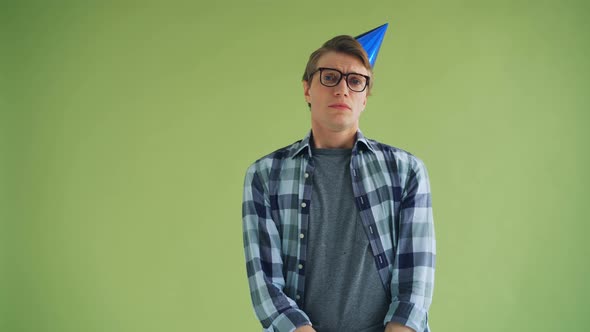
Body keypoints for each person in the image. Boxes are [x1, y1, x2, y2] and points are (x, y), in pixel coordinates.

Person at [242, 25, 435, 332]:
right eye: (330, 77)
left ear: (365, 97)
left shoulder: (406, 171)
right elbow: (266, 287)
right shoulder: (266, 176)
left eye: (355, 81)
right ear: (307, 88)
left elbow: (416, 280)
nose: (342, 89)